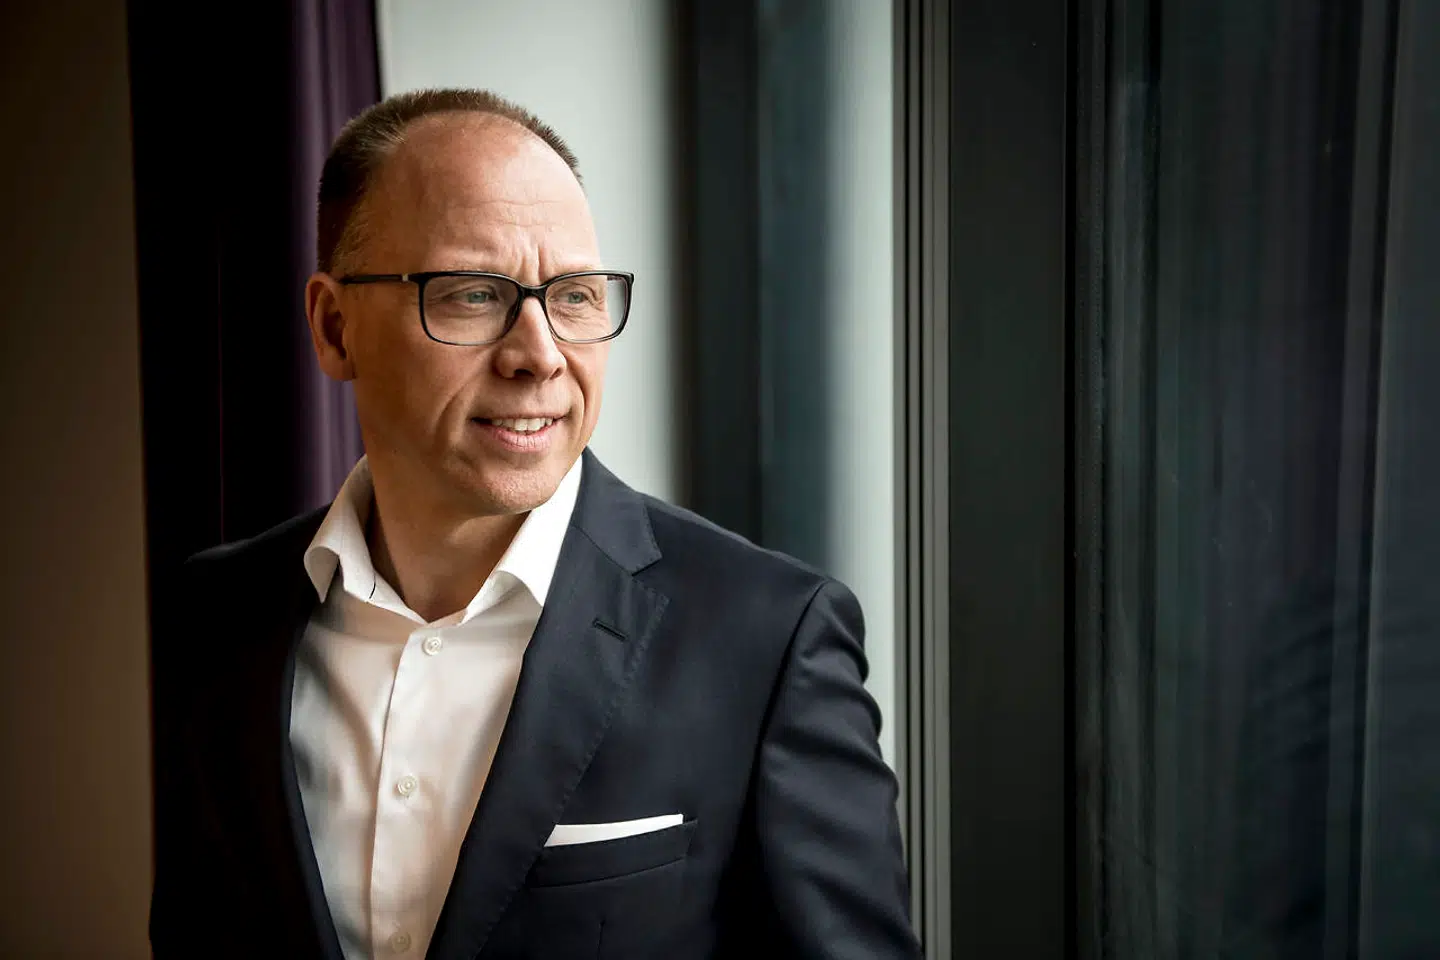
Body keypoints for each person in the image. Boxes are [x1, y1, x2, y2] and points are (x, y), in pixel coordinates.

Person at [148, 88, 919, 960]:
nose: (541, 355)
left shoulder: (767, 638)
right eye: (475, 295)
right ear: (335, 329)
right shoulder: (216, 616)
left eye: (576, 296)